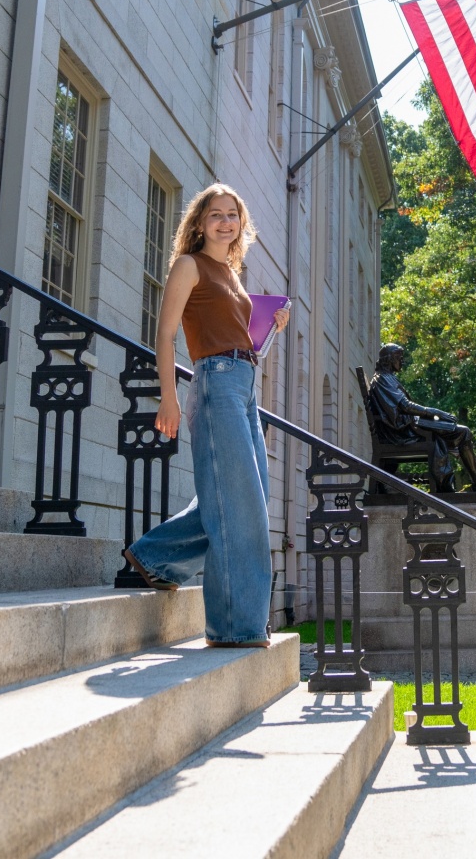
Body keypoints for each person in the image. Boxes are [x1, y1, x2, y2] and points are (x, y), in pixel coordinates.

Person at [122, 184, 289, 649]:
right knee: (241, 505)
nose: (224, 222)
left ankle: (156, 558)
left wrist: (269, 326)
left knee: (245, 497)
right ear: (199, 223)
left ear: (240, 223)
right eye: (215, 214)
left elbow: (237, 337)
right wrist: (168, 397)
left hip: (244, 383)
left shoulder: (231, 273)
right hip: (214, 380)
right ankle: (236, 627)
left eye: (232, 215)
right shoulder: (188, 266)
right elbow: (166, 332)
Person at [366, 343, 476, 492]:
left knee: (461, 432)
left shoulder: (387, 378)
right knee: (463, 432)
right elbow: (406, 406)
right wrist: (436, 412)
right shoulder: (382, 379)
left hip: (407, 428)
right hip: (401, 433)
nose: (402, 361)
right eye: (399, 358)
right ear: (388, 359)